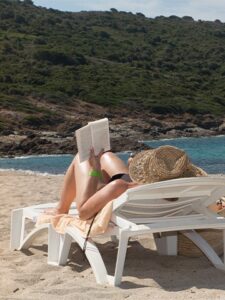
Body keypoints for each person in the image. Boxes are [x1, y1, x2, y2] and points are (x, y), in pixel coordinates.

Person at [45, 145, 208, 221]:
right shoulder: (187, 187)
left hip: (111, 197)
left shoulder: (119, 187)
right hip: (146, 199)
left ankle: (61, 209)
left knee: (81, 157)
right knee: (106, 154)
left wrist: (95, 170)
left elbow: (83, 213)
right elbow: (221, 205)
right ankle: (101, 162)